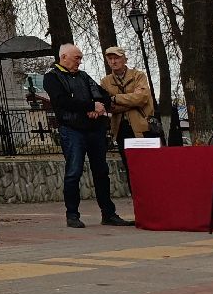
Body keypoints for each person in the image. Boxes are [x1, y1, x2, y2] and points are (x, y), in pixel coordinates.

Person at [44, 44, 134, 229]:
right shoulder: (52, 77)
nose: (80, 61)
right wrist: (90, 106)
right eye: (77, 57)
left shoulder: (84, 76)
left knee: (101, 172)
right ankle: (72, 215)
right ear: (64, 57)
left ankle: (108, 214)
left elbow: (104, 95)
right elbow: (62, 101)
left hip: (94, 130)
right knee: (73, 172)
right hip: (72, 130)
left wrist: (98, 107)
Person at [100, 45, 155, 189]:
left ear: (124, 59)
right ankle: (136, 197)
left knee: (148, 163)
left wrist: (115, 98)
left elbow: (142, 98)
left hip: (142, 127)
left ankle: (154, 193)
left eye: (116, 57)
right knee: (130, 165)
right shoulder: (105, 82)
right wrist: (131, 102)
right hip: (121, 129)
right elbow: (108, 105)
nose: (113, 61)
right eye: (110, 58)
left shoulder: (138, 75)